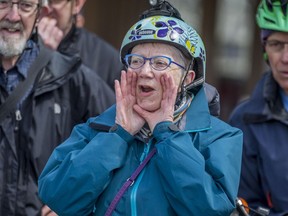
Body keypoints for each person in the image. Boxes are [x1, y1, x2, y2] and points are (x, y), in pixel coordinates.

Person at [38, 1, 243, 215]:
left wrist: (167, 134)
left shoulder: (221, 137)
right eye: (136, 61)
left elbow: (210, 209)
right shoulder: (97, 128)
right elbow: (58, 197)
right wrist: (119, 135)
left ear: (188, 78)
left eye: (160, 63)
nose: (145, 71)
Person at [0, 0, 115, 215]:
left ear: (38, 14)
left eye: (25, 5)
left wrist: (74, 201)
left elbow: (121, 142)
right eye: (3, 3)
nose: (13, 16)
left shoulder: (72, 78)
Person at [229, 0, 288, 215]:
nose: (285, 58)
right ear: (265, 49)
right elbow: (246, 205)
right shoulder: (245, 120)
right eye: (276, 45)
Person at [37, 0, 123, 90]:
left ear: (77, 4)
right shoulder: (22, 45)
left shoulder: (108, 60)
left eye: (54, 1)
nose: (44, 8)